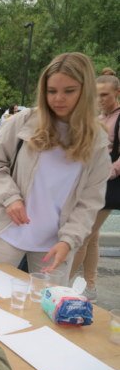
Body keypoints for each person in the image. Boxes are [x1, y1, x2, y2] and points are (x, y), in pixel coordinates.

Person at [0, 52, 111, 276]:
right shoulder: (24, 121)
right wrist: (11, 198)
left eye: (69, 91)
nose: (58, 98)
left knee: (46, 308)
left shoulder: (96, 142)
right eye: (51, 91)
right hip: (7, 232)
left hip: (55, 243)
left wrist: (69, 241)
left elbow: (89, 202)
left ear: (85, 92)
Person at [69, 68, 120, 302]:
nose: (100, 100)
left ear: (117, 93)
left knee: (84, 234)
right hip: (94, 183)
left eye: (105, 95)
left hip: (108, 184)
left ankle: (65, 283)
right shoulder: (99, 118)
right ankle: (90, 285)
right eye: (97, 95)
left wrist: (109, 171)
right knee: (93, 236)